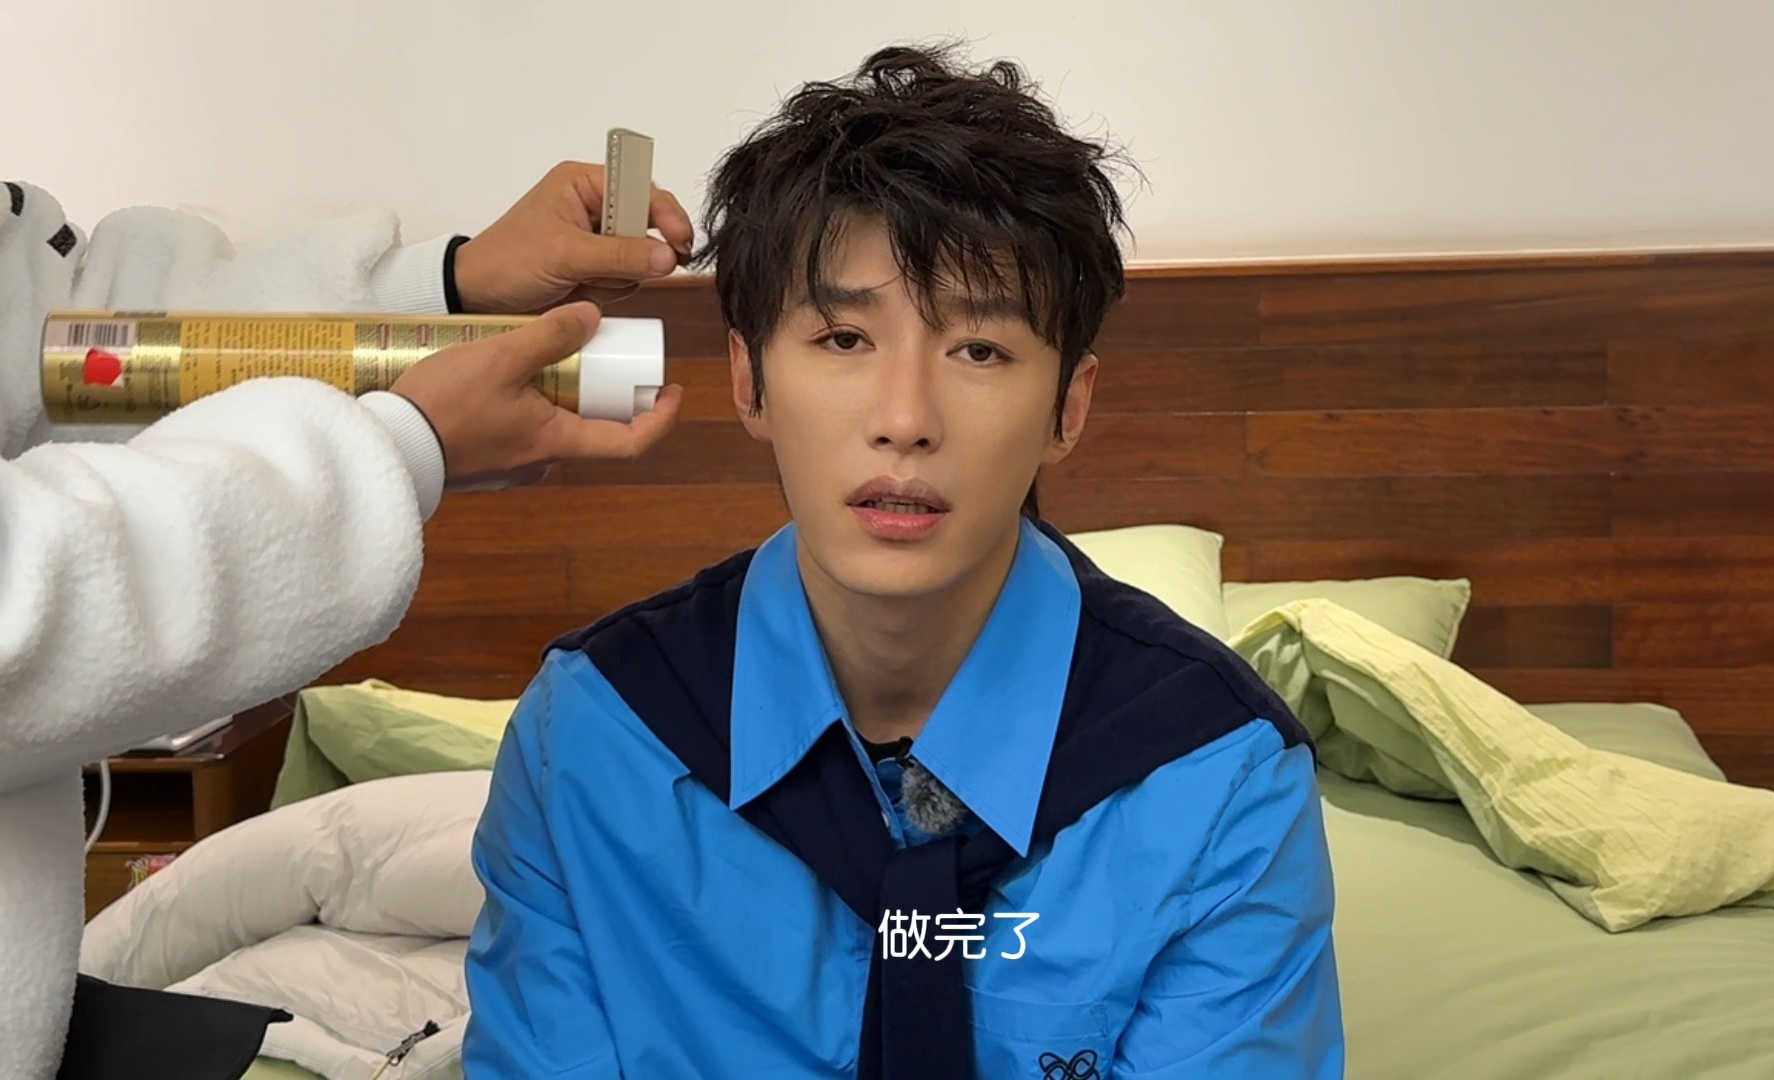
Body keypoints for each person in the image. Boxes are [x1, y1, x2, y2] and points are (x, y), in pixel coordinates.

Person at [464, 45, 1344, 1080]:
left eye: (981, 350)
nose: (905, 419)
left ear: (1069, 408)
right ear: (749, 382)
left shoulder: (1215, 777)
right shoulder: (591, 739)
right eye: (844, 339)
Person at [0, 162, 692, 1080]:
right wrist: (400, 447)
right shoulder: (606, 697)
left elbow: (84, 354)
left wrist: (445, 286)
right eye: (840, 340)